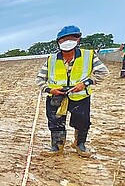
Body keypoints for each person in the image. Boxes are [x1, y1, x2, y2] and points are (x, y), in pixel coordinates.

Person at [36, 25, 109, 157]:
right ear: (58, 42)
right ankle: (57, 147)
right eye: (63, 39)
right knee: (55, 122)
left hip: (80, 96)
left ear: (78, 39)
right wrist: (50, 89)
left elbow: (103, 72)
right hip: (56, 97)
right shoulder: (51, 59)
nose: (67, 41)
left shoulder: (89, 55)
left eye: (71, 38)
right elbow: (40, 79)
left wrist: (85, 83)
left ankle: (80, 144)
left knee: (82, 122)